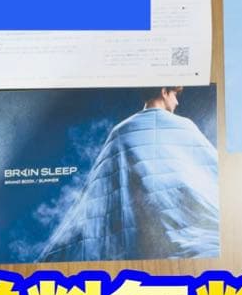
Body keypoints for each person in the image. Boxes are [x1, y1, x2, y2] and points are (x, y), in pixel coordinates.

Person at [39, 87, 219, 262]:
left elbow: (99, 188)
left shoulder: (120, 131)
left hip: (138, 229)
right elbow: (212, 169)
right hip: (178, 220)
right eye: (175, 94)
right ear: (164, 92)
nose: (177, 102)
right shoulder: (184, 126)